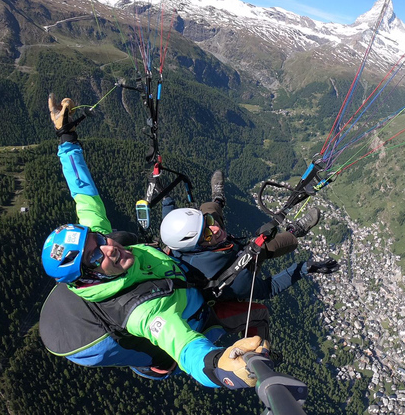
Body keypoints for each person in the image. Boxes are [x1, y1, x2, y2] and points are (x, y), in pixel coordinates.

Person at [39, 94, 269, 389]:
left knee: (195, 230)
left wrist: (66, 138)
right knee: (257, 308)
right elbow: (183, 346)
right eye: (96, 258)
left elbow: (85, 196)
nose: (109, 247)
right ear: (88, 279)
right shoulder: (142, 311)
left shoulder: (100, 243)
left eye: (97, 239)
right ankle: (266, 357)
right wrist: (221, 368)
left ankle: (217, 202)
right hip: (199, 314)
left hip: (174, 276)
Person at [158, 170, 340, 301]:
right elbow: (269, 289)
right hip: (234, 266)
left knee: (208, 211)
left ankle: (218, 199)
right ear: (195, 247)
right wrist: (303, 268)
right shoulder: (235, 281)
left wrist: (166, 201)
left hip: (215, 252)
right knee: (266, 247)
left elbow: (172, 224)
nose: (215, 229)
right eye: (206, 234)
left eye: (208, 225)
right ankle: (295, 231)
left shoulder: (178, 242)